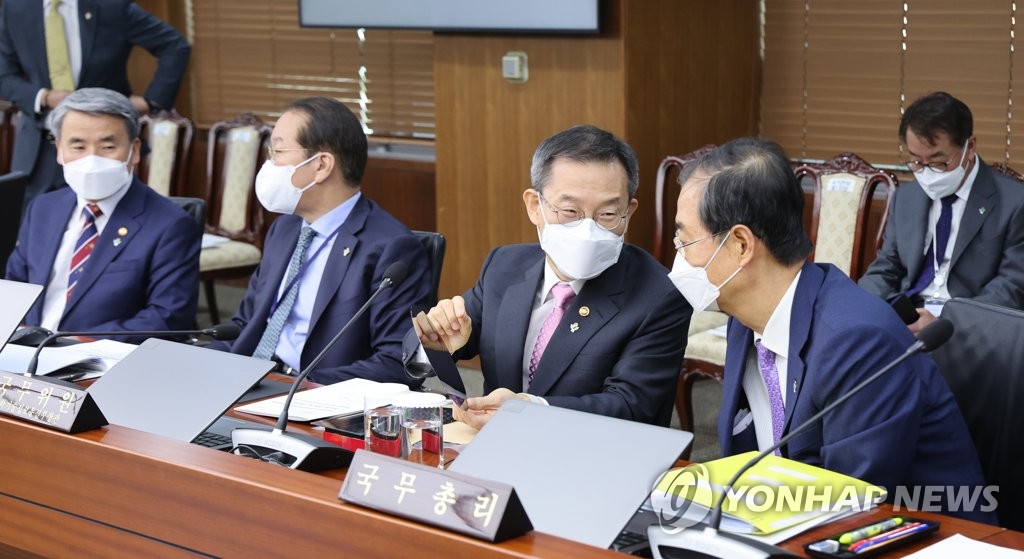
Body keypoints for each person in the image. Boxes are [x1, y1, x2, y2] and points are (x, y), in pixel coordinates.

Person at [668, 137, 992, 522]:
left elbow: (849, 505)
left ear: (740, 245)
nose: (678, 256)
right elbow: (744, 463)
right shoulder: (746, 316)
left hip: (921, 534)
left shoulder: (858, 340)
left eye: (685, 241)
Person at [413, 124, 691, 430]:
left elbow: (631, 406)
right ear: (535, 206)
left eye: (608, 214)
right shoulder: (504, 266)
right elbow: (451, 342)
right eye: (570, 211)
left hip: (593, 459)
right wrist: (437, 343)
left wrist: (531, 410)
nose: (589, 229)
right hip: (495, 448)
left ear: (629, 211)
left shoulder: (659, 295)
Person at [211, 97, 430, 386]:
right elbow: (244, 325)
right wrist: (197, 362)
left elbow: (397, 361)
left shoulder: (391, 248)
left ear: (322, 165)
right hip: (249, 381)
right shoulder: (285, 229)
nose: (269, 164)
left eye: (277, 151)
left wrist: (301, 389)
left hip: (314, 398)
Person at [5, 87, 200, 337]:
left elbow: (167, 318)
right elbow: (13, 288)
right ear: (59, 151)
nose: (92, 159)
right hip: (22, 355)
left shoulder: (171, 225)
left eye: (108, 147)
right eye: (78, 146)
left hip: (99, 362)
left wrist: (76, 345)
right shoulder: (43, 208)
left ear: (135, 150)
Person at [859, 91, 1024, 333]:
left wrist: (947, 322)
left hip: (971, 325)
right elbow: (887, 265)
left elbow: (1011, 287)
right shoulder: (907, 197)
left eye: (938, 162)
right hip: (909, 315)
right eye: (916, 161)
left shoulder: (1014, 202)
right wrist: (864, 304)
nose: (926, 173)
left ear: (970, 147)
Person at [0, 0, 191, 202]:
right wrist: (44, 96)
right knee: (31, 228)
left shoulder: (112, 6)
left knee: (105, 224)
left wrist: (151, 101)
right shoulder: (16, 7)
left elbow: (174, 45)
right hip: (37, 151)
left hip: (102, 152)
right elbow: (4, 77)